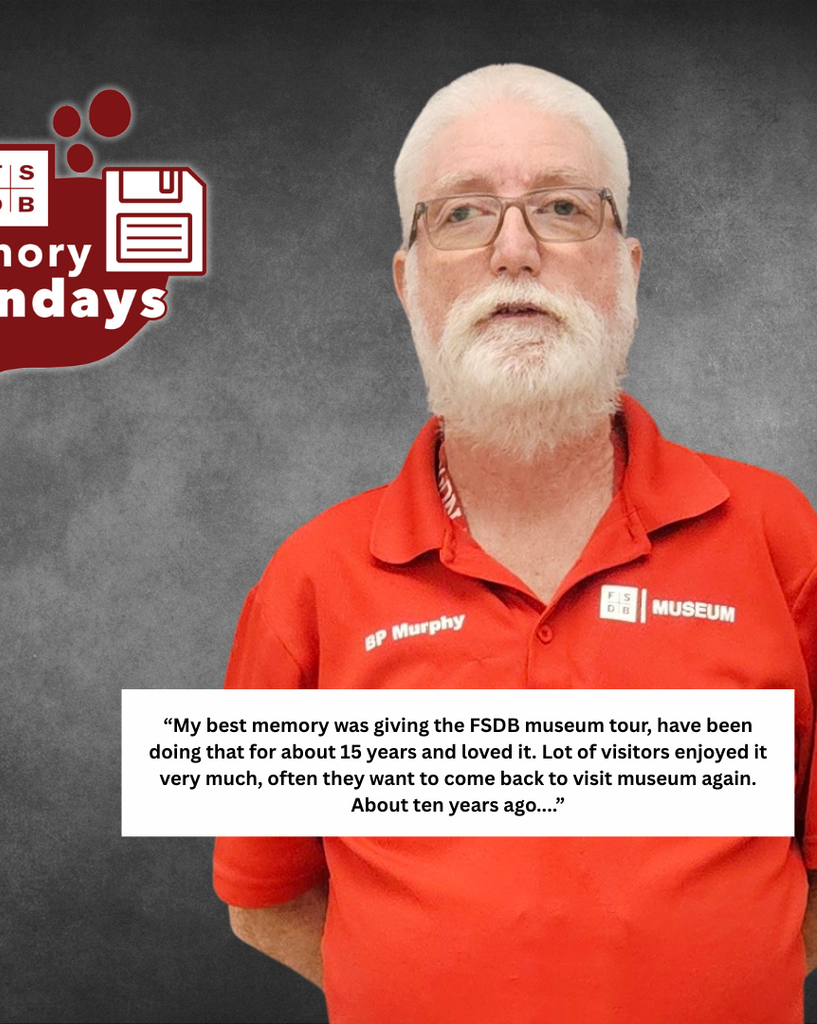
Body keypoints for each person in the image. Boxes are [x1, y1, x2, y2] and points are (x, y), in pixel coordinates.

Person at [213, 64, 817, 1024]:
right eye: (460, 215)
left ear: (629, 265)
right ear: (407, 281)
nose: (515, 252)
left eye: (563, 208)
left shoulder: (781, 540)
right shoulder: (311, 581)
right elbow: (266, 900)